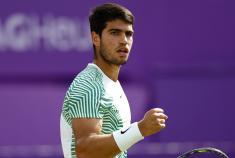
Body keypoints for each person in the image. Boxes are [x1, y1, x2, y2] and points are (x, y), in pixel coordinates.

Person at [60, 3, 168, 158]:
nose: (124, 40)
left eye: (128, 34)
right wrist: (140, 129)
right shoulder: (88, 85)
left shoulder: (112, 84)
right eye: (115, 33)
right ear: (95, 38)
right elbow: (85, 151)